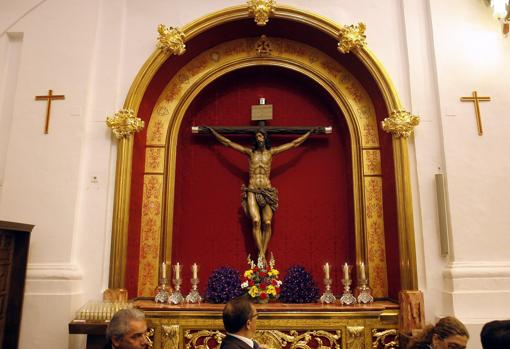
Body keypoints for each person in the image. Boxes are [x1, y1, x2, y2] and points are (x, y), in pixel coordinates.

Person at [209, 127, 314, 259]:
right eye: (257, 136)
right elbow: (228, 143)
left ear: (265, 138)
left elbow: (293, 144)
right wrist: (214, 133)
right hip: (252, 189)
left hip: (267, 191)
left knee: (268, 223)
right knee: (256, 221)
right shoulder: (250, 153)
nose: (259, 138)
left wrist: (308, 134)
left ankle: (261, 254)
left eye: (261, 136)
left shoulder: (270, 153)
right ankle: (263, 257)